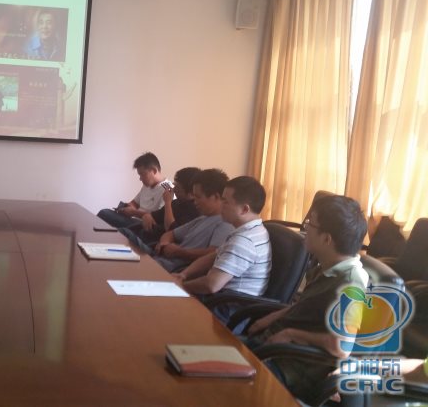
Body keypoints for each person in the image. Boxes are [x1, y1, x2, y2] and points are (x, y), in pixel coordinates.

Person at [242, 195, 369, 402]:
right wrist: (273, 317)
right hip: (272, 348)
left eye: (311, 223)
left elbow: (341, 346)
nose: (305, 228)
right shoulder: (327, 265)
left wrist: (290, 334)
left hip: (289, 367)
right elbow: (309, 307)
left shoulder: (351, 282)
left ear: (326, 239)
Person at [174, 176, 272, 320]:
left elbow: (211, 284)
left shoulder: (244, 241)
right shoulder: (251, 230)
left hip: (228, 310)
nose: (220, 205)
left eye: (225, 201)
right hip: (220, 299)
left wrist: (181, 285)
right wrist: (184, 274)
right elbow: (213, 256)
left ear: (244, 209)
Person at [153, 169, 234, 273]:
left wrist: (180, 252)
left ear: (215, 197)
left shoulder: (225, 223)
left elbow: (212, 254)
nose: (195, 202)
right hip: (167, 260)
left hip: (180, 268)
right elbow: (170, 233)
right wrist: (164, 243)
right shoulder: (202, 218)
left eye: (198, 197)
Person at [123, 167, 202, 249]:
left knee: (125, 233)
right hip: (146, 233)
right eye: (174, 185)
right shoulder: (176, 202)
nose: (174, 190)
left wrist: (167, 202)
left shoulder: (193, 209)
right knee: (122, 230)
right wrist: (147, 216)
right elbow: (152, 216)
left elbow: (171, 229)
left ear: (191, 192)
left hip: (155, 243)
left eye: (178, 188)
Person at [96, 152, 167, 229]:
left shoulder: (168, 188)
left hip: (145, 225)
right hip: (134, 220)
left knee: (104, 214)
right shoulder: (147, 185)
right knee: (105, 213)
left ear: (154, 171)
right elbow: (134, 203)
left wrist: (134, 212)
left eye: (142, 174)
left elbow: (159, 217)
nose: (140, 179)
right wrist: (126, 208)